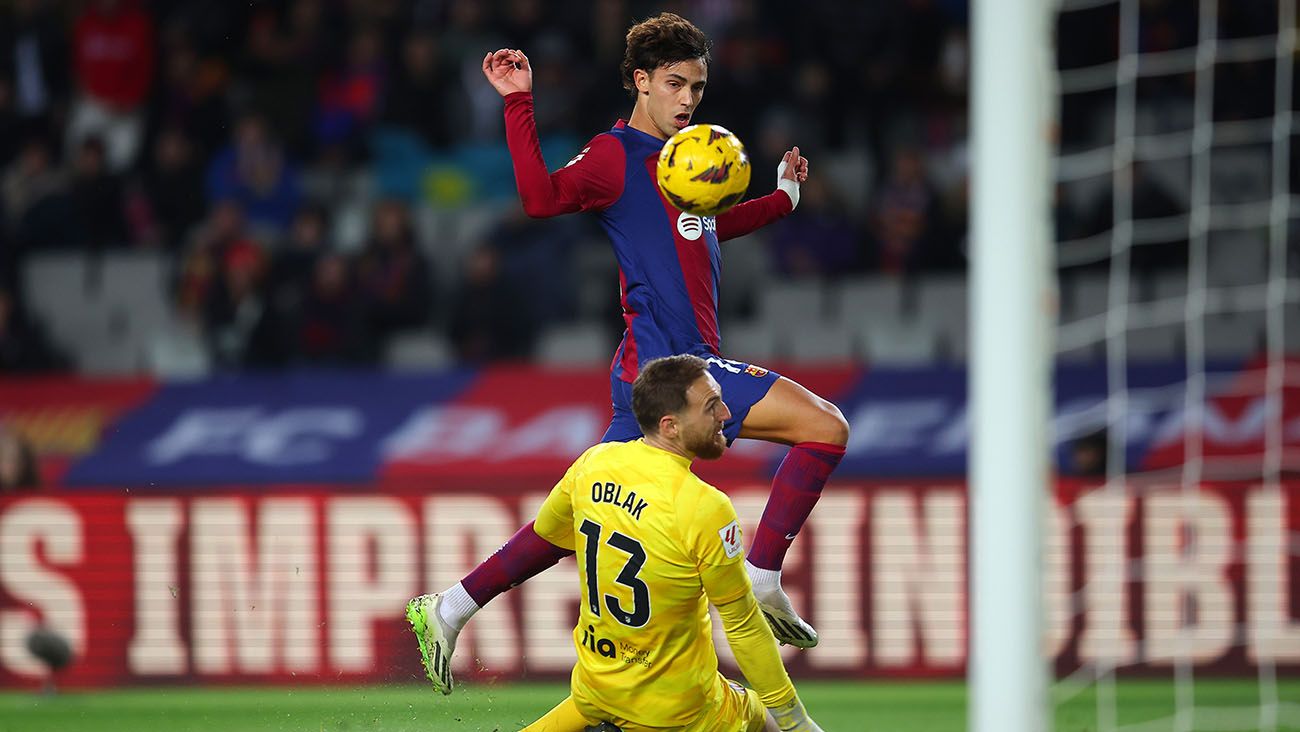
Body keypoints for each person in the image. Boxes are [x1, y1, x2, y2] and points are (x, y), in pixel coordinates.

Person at [411, 13, 849, 690]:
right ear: (640, 81)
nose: (686, 100)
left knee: (577, 513)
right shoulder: (615, 156)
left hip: (651, 376)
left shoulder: (685, 162)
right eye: (674, 84)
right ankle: (760, 571)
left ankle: (451, 605)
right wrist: (519, 102)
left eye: (697, 88)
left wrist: (781, 202)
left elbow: (705, 226)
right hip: (673, 371)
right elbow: (539, 197)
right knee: (825, 427)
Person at [408, 355, 824, 732]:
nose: (728, 414)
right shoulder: (706, 507)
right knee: (767, 720)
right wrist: (794, 719)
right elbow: (743, 625)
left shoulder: (594, 463)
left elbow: (542, 538)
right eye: (711, 406)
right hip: (679, 713)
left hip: (597, 692)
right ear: (670, 426)